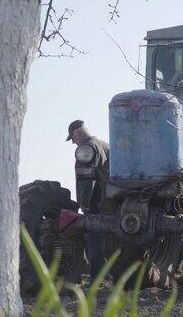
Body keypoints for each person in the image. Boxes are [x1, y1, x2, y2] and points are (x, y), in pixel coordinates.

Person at [67, 119, 109, 283]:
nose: (73, 143)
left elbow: (86, 180)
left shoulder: (86, 149)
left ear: (77, 133)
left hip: (96, 202)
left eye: (72, 139)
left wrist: (84, 205)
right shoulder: (104, 145)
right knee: (105, 241)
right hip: (110, 202)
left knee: (94, 241)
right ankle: (106, 275)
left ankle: (96, 278)